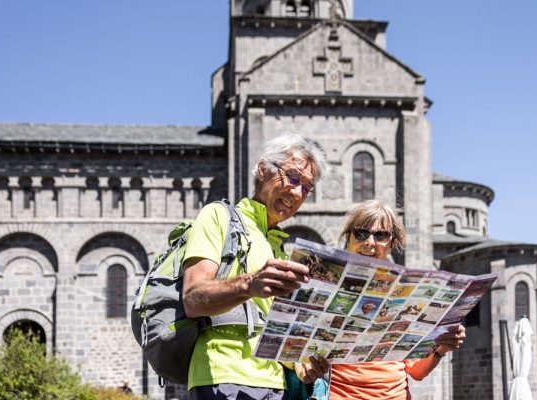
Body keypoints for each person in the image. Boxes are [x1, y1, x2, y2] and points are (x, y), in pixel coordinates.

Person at [181, 133, 330, 400]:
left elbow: (272, 332)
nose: (297, 192)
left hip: (275, 385)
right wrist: (249, 284)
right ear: (263, 170)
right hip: (223, 376)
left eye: (306, 187)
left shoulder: (277, 245)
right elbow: (193, 299)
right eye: (293, 177)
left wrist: (301, 366)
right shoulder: (218, 216)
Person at [295, 200, 467, 400]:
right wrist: (303, 367)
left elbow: (416, 371)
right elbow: (299, 352)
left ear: (392, 243)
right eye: (361, 233)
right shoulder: (325, 285)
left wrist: (441, 348)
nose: (369, 242)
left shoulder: (408, 293)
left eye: (381, 235)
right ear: (348, 238)